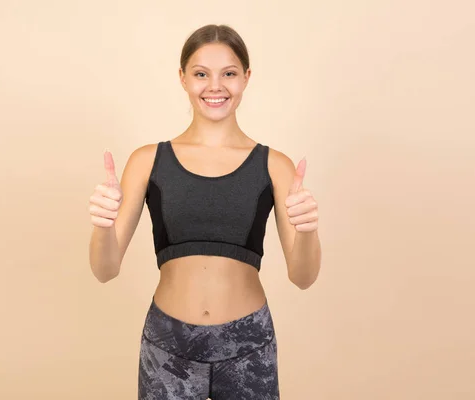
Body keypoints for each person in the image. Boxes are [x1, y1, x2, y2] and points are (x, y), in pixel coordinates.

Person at [88, 24, 321, 400]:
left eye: (228, 73)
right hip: (168, 347)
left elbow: (303, 276)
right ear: (183, 79)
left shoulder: (276, 166)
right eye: (201, 74)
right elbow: (104, 269)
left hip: (249, 345)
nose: (215, 86)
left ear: (246, 78)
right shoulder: (147, 160)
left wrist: (308, 228)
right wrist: (102, 224)